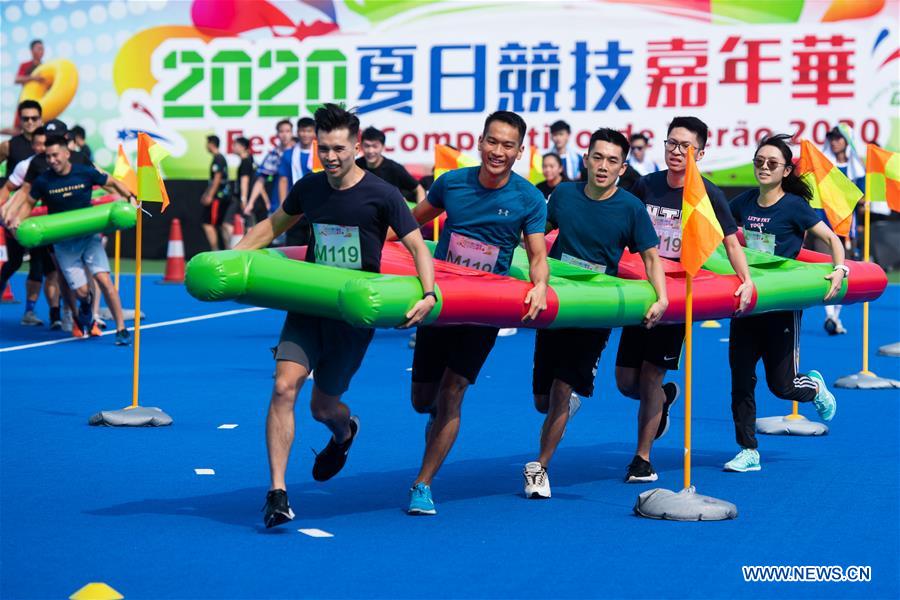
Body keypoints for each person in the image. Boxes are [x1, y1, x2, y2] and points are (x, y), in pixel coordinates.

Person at [233, 104, 437, 528]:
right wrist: (229, 261)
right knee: (284, 386)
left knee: (323, 408)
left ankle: (345, 433)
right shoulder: (309, 188)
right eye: (323, 148)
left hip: (352, 316)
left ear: (356, 146)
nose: (330, 157)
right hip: (309, 307)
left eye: (339, 149)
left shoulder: (382, 194)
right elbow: (270, 227)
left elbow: (418, 247)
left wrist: (429, 293)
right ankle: (277, 493)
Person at [403, 111, 549, 515]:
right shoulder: (451, 184)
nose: (497, 152)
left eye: (507, 146)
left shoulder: (528, 198)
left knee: (453, 394)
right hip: (442, 305)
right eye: (492, 142)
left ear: (519, 152)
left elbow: (537, 255)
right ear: (480, 142)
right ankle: (437, 426)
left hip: (484, 311)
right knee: (422, 400)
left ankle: (423, 483)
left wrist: (539, 285)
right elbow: (409, 228)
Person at [525, 128, 668, 499]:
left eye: (612, 161)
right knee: (543, 399)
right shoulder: (564, 194)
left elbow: (651, 258)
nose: (603, 166)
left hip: (595, 313)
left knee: (560, 388)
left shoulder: (630, 208)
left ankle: (540, 468)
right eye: (598, 157)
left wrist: (661, 298)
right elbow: (539, 232)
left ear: (622, 168)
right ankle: (563, 405)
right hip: (557, 306)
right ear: (586, 159)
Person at [615, 116, 754, 484]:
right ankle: (662, 399)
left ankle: (642, 459)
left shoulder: (707, 193)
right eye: (671, 143)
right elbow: (621, 225)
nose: (676, 152)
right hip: (643, 289)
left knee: (648, 377)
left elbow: (730, 240)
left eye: (685, 146)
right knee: (626, 381)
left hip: (677, 297)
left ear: (701, 153)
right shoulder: (646, 185)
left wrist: (747, 279)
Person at [724, 134, 840, 472]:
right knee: (740, 380)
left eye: (772, 163)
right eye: (759, 161)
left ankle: (814, 386)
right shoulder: (743, 202)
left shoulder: (793, 207)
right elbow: (721, 232)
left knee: (782, 385)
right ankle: (748, 450)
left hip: (782, 308)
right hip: (748, 304)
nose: (763, 167)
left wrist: (839, 268)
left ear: (786, 170)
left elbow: (831, 238)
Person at [6, 136, 134, 345]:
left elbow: (112, 182)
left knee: (104, 280)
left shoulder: (84, 172)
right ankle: (85, 304)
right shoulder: (44, 181)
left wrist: (129, 198)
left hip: (89, 237)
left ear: (67, 154)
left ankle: (121, 328)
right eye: (48, 157)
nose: (52, 160)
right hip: (64, 243)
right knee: (82, 292)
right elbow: (29, 203)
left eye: (55, 155)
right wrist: (19, 220)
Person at [0, 126, 62, 328]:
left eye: (44, 143)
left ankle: (53, 316)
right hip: (23, 223)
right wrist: (7, 215)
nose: (40, 147)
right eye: (37, 143)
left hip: (48, 224)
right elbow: (14, 192)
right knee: (14, 263)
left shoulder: (59, 164)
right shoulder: (26, 166)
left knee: (47, 269)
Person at [815, 126, 865, 335]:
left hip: (846, 228)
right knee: (827, 269)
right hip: (825, 226)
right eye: (831, 138)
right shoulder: (825, 168)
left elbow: (862, 197)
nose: (834, 142)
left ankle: (835, 317)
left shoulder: (855, 169)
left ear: (847, 141)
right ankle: (829, 315)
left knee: (843, 269)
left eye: (838, 138)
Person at [356, 127, 426, 204]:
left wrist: (420, 214)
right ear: (361, 146)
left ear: (383, 147)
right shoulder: (355, 166)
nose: (370, 151)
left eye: (375, 146)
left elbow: (419, 189)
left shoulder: (394, 168)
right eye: (367, 146)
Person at [278, 117, 317, 245]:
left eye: (309, 131)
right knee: (293, 244)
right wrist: (283, 205)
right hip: (295, 207)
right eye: (302, 131)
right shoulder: (288, 154)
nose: (305, 134)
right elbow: (283, 180)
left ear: (314, 132)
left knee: (315, 244)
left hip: (316, 206)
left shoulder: (321, 152)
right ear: (297, 132)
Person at [246, 119, 294, 219]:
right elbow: (260, 180)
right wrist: (250, 203)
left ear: (292, 133)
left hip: (299, 204)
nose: (285, 135)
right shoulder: (274, 155)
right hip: (278, 206)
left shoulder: (299, 151)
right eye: (281, 131)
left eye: (288, 131)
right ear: (277, 134)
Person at [200, 135, 231, 250]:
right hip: (220, 196)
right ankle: (224, 249)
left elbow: (217, 179)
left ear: (212, 144)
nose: (206, 146)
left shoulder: (218, 158)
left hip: (218, 197)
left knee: (209, 223)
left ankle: (216, 251)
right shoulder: (218, 158)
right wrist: (206, 193)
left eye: (207, 143)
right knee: (221, 224)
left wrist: (210, 196)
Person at [226, 136, 255, 230]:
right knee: (247, 225)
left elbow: (244, 182)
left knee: (248, 226)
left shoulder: (246, 162)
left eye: (235, 145)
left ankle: (236, 244)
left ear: (242, 147)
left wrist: (243, 199)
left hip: (243, 198)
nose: (232, 147)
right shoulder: (249, 160)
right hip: (243, 198)